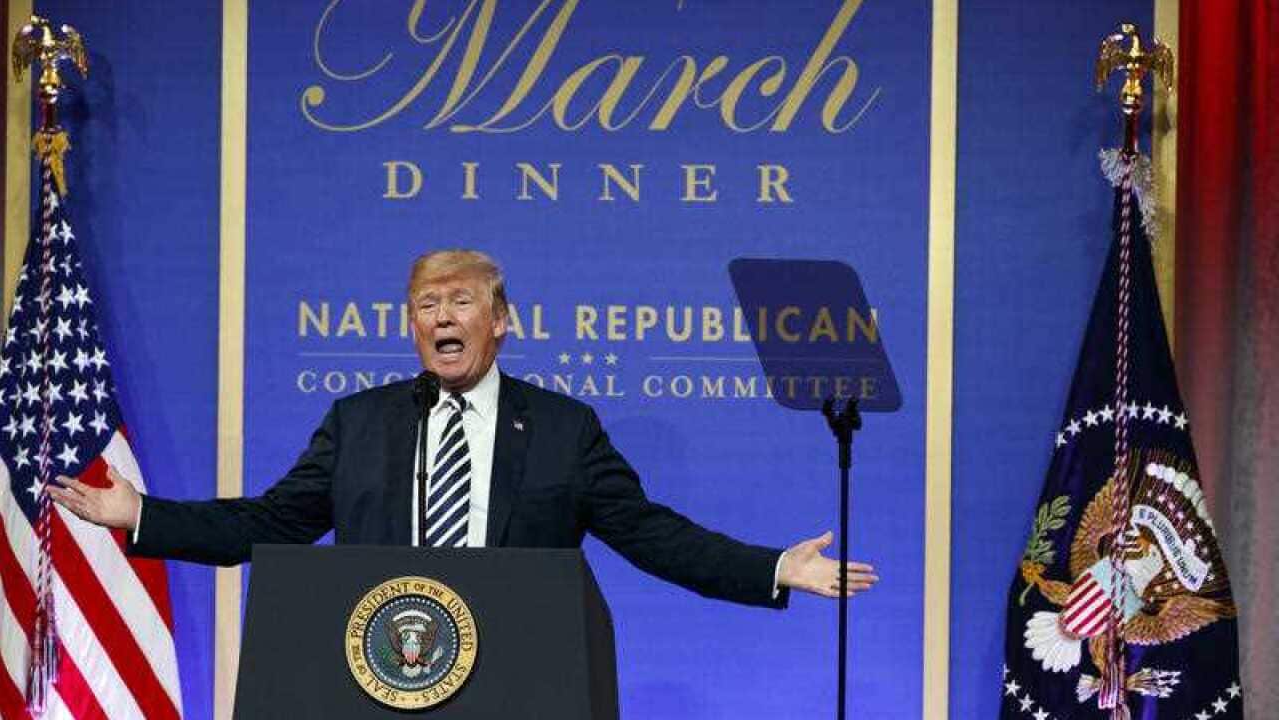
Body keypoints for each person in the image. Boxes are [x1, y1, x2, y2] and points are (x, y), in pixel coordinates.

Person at [51, 249, 878, 607]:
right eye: (425, 305)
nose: (441, 318)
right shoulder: (360, 422)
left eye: (460, 302)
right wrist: (144, 517)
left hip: (519, 679)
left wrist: (772, 568)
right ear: (409, 325)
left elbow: (650, 535)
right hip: (375, 671)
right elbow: (272, 523)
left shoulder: (561, 429)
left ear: (501, 321)